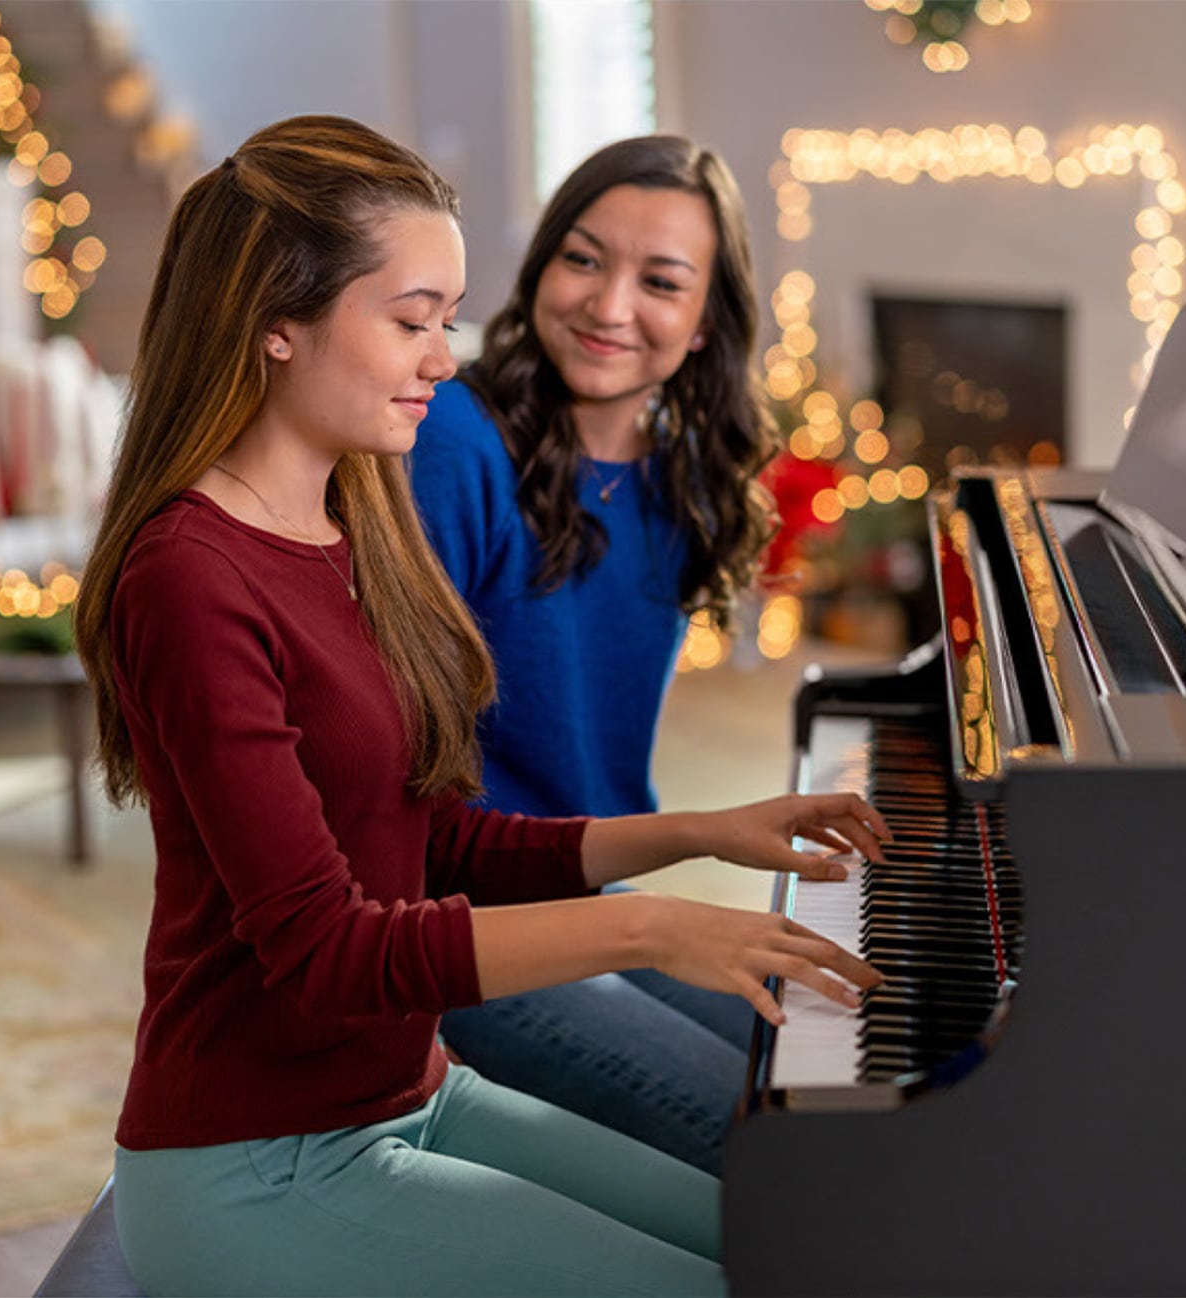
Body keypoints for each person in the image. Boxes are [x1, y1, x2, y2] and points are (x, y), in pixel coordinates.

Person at [72, 115, 884, 1297]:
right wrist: (657, 926)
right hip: (259, 1159)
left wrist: (703, 831)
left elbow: (435, 833)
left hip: (414, 1087)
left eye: (446, 318)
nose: (445, 359)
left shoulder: (355, 519)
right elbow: (326, 949)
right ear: (275, 324)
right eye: (411, 320)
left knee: (789, 1238)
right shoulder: (188, 574)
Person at [407, 136, 782, 1174]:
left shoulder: (685, 488)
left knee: (832, 1073)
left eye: (659, 281)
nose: (609, 305)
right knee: (777, 1147)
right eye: (583, 258)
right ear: (538, 270)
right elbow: (389, 782)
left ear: (705, 323)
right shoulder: (452, 437)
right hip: (458, 928)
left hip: (587, 895)